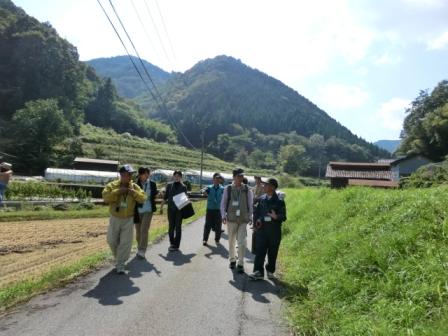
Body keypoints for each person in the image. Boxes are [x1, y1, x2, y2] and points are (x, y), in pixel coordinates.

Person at [102, 164, 146, 274]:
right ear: (121, 175)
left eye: (130, 175)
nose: (129, 177)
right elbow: (105, 198)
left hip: (128, 219)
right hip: (115, 218)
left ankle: (120, 264)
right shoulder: (112, 185)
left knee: (125, 243)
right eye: (126, 175)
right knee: (111, 240)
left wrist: (133, 193)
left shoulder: (134, 187)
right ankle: (119, 259)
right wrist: (118, 191)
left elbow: (143, 198)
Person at [249, 178, 286, 280]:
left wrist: (276, 217)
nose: (264, 186)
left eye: (266, 185)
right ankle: (258, 272)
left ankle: (270, 270)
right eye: (264, 185)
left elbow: (284, 217)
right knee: (260, 252)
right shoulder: (261, 199)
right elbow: (256, 213)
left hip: (274, 231)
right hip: (262, 231)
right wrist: (256, 224)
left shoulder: (279, 201)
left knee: (272, 253)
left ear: (273, 187)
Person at [220, 168, 253, 274]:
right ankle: (232, 259)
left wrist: (250, 216)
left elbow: (250, 204)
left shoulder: (247, 189)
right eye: (239, 176)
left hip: (243, 219)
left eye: (242, 176)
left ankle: (241, 263)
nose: (241, 178)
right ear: (234, 177)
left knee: (242, 242)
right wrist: (223, 215)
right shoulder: (228, 189)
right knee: (231, 241)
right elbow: (223, 203)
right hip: (231, 219)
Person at [134, 167, 158, 259]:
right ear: (140, 175)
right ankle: (139, 247)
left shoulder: (152, 184)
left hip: (148, 210)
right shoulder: (135, 184)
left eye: (147, 174)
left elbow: (154, 194)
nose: (146, 176)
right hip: (137, 210)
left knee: (144, 229)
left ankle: (142, 250)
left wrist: (158, 194)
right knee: (138, 231)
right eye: (144, 174)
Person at [162, 170, 188, 251]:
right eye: (175, 176)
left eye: (178, 176)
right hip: (170, 209)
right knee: (171, 227)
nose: (177, 178)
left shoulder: (184, 187)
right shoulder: (169, 185)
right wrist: (162, 205)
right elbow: (166, 196)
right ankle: (172, 243)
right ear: (173, 177)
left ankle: (176, 245)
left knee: (178, 227)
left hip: (179, 211)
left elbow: (185, 199)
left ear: (181, 177)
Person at [202, 173, 225, 245]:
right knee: (207, 225)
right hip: (210, 209)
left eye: (218, 179)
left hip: (218, 210)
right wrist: (204, 192)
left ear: (220, 180)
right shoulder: (209, 187)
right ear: (213, 179)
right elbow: (203, 190)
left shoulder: (222, 189)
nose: (217, 180)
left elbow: (226, 197)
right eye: (215, 179)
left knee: (218, 226)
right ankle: (205, 240)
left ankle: (217, 239)